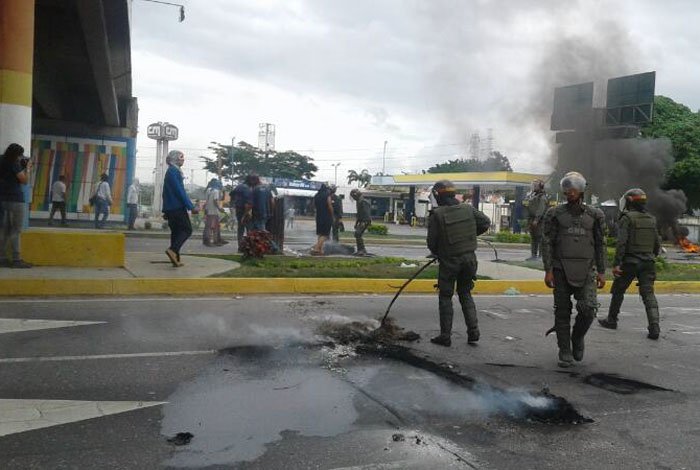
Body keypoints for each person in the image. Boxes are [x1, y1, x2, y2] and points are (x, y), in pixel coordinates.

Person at [542, 171, 606, 368]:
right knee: (562, 312)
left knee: (588, 309)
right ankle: (564, 351)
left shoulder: (596, 215)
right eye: (566, 187)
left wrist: (602, 271)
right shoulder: (554, 214)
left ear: (581, 190)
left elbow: (599, 244)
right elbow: (547, 242)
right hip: (560, 268)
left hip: (587, 269)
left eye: (573, 187)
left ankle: (577, 338)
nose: (569, 191)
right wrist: (548, 269)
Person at [427, 180, 491, 347]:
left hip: (450, 261)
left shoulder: (437, 214)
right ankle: (473, 332)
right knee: (465, 293)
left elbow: (431, 243)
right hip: (470, 259)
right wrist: (469, 235)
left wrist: (439, 251)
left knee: (446, 296)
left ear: (437, 195)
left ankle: (445, 336)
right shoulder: (467, 208)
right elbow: (485, 222)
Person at [599, 188, 661, 339]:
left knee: (618, 290)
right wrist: (651, 257)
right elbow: (657, 243)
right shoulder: (651, 218)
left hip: (630, 262)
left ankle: (612, 320)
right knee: (648, 294)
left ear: (629, 202)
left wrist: (616, 264)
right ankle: (654, 327)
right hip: (648, 263)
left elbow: (622, 243)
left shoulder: (627, 218)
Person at [0, 143, 32, 268]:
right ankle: (16, 259)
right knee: (16, 229)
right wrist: (27, 168)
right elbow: (24, 180)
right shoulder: (14, 163)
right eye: (20, 155)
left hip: (2, 198)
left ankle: (2, 258)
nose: (21, 157)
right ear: (16, 155)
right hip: (15, 199)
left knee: (5, 229)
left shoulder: (1, 160)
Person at [162, 150, 194, 267]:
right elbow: (179, 191)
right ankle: (173, 250)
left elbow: (165, 193)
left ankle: (176, 258)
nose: (183, 159)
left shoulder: (172, 171)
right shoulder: (173, 171)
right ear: (175, 159)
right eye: (181, 157)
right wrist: (191, 206)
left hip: (170, 208)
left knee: (176, 232)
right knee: (187, 230)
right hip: (177, 207)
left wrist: (165, 209)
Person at [523, 179, 548, 260]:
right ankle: (533, 255)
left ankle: (541, 256)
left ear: (540, 186)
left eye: (535, 185)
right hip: (532, 219)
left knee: (540, 238)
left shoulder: (542, 197)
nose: (533, 187)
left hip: (539, 221)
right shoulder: (533, 196)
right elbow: (528, 207)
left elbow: (540, 209)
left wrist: (536, 220)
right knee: (534, 238)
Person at [230, 176, 254, 252]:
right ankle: (249, 247)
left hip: (238, 209)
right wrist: (247, 213)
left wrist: (234, 203)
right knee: (249, 229)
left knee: (240, 228)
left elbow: (231, 194)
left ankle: (240, 246)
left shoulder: (239, 186)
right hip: (245, 210)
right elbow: (248, 203)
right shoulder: (247, 189)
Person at [311, 183, 333, 255]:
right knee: (325, 234)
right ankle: (316, 248)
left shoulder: (316, 195)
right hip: (326, 217)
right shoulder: (327, 195)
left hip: (318, 216)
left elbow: (313, 206)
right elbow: (329, 205)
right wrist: (332, 214)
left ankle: (320, 250)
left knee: (320, 234)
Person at [203, 178, 225, 246]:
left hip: (208, 210)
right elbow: (215, 201)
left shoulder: (208, 190)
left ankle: (208, 241)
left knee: (208, 226)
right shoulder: (216, 191)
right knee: (213, 227)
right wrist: (219, 208)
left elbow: (220, 198)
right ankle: (211, 241)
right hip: (214, 211)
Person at [350, 189, 371, 256]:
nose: (353, 198)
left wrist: (364, 222)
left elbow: (366, 213)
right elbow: (359, 214)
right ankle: (360, 250)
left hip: (365, 221)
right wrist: (356, 223)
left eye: (353, 196)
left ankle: (362, 250)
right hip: (361, 220)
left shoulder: (363, 202)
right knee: (357, 234)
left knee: (358, 234)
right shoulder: (359, 201)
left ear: (356, 195)